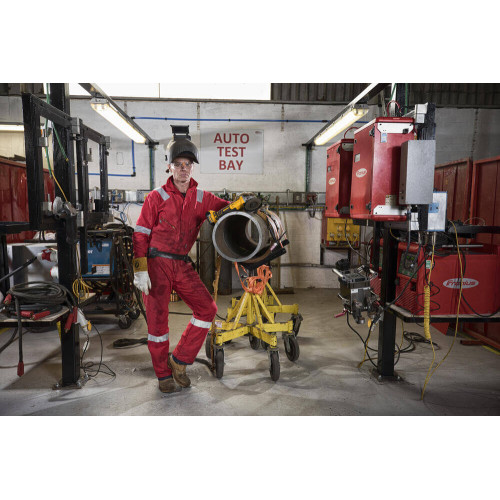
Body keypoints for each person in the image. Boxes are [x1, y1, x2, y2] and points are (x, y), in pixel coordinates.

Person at [132, 127, 229, 393]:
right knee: (158, 323)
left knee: (207, 308)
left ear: (193, 168)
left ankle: (179, 361)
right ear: (170, 167)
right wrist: (140, 269)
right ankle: (163, 375)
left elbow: (228, 208)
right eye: (178, 164)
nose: (183, 169)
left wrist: (246, 203)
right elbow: (140, 234)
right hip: (157, 264)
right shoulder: (156, 197)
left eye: (187, 164)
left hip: (182, 264)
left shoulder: (202, 197)